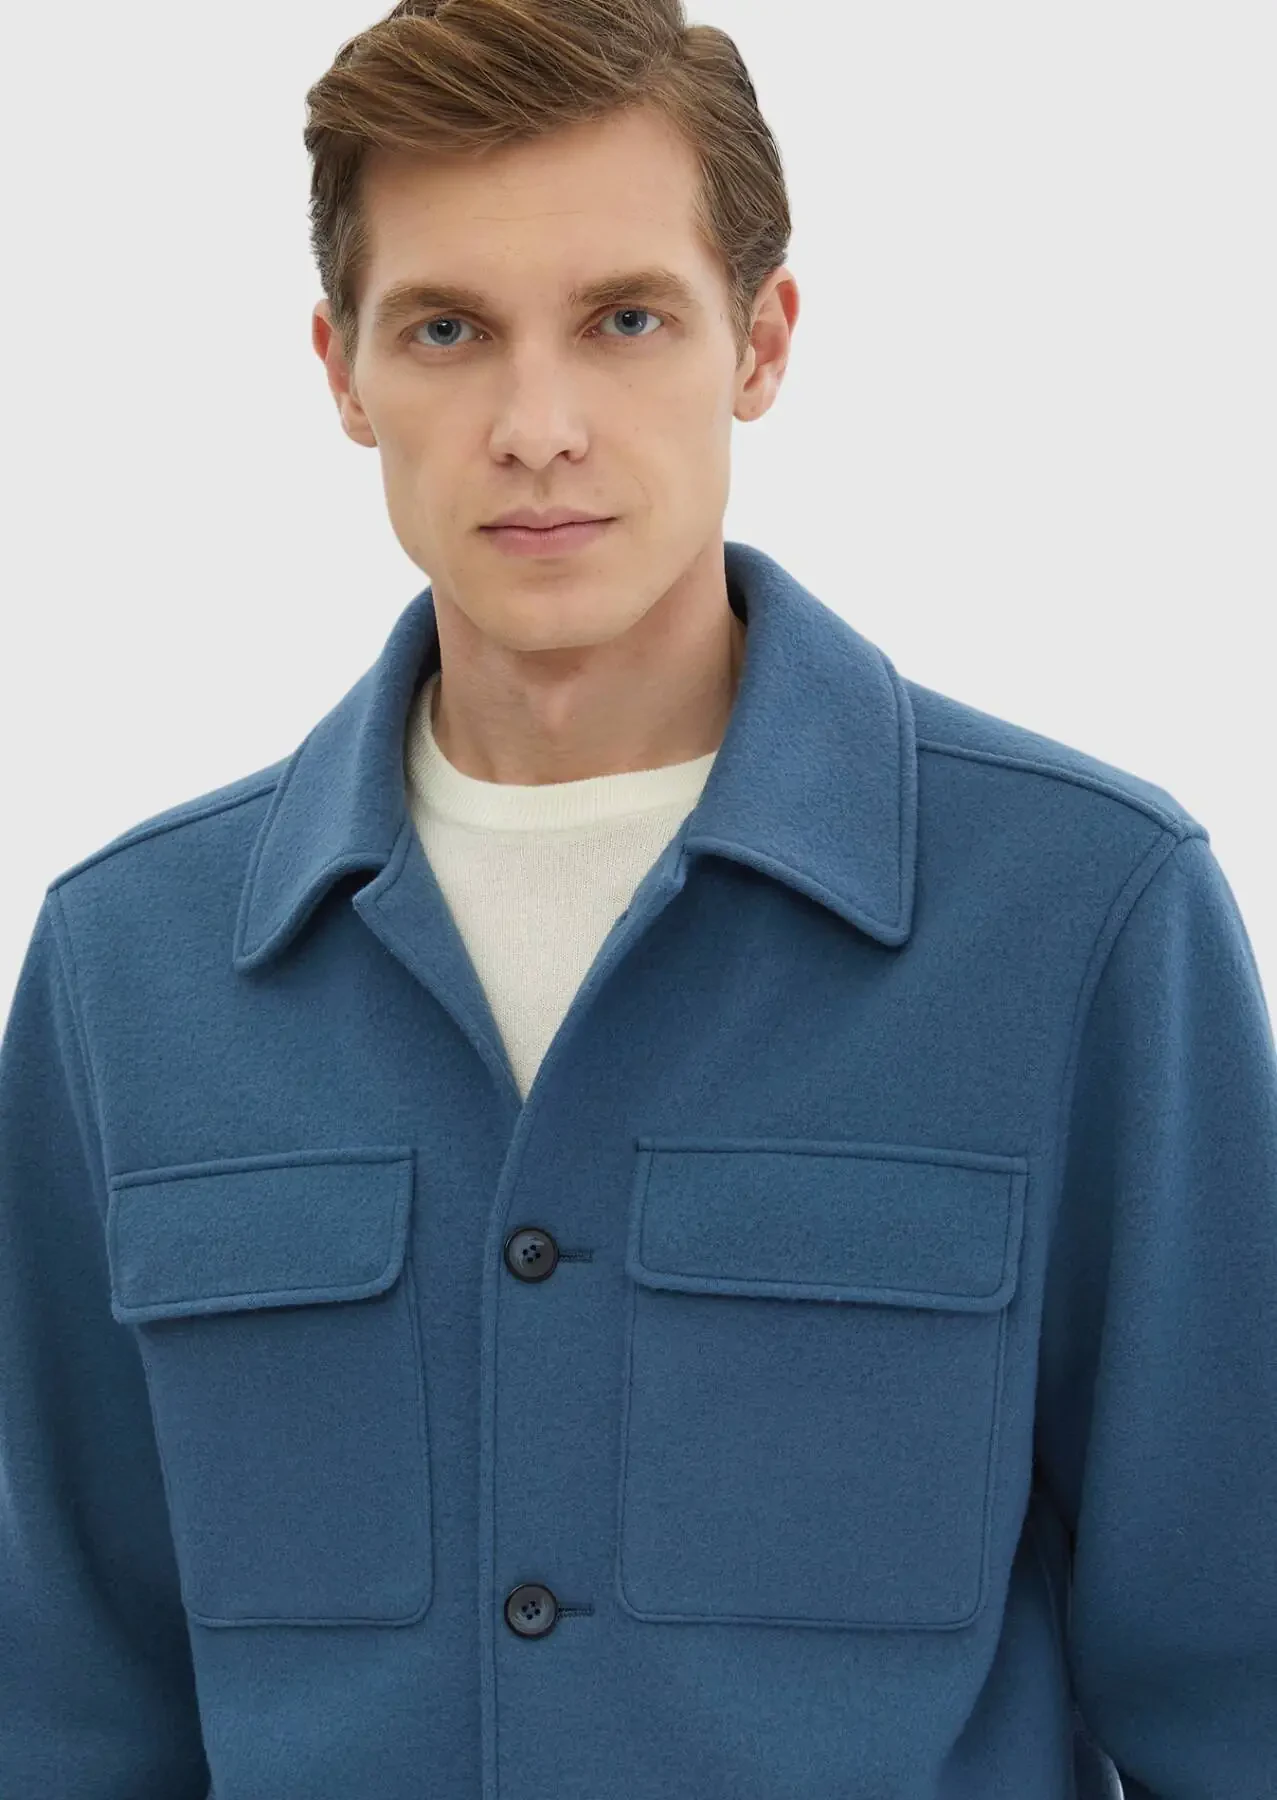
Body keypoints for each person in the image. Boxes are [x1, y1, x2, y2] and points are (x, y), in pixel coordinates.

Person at [1, 2, 1273, 1796]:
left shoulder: (1088, 921)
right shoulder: (121, 973)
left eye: (625, 320)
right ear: (342, 372)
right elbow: (67, 1716)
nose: (538, 428)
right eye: (448, 329)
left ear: (763, 339)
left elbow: (1237, 1691)